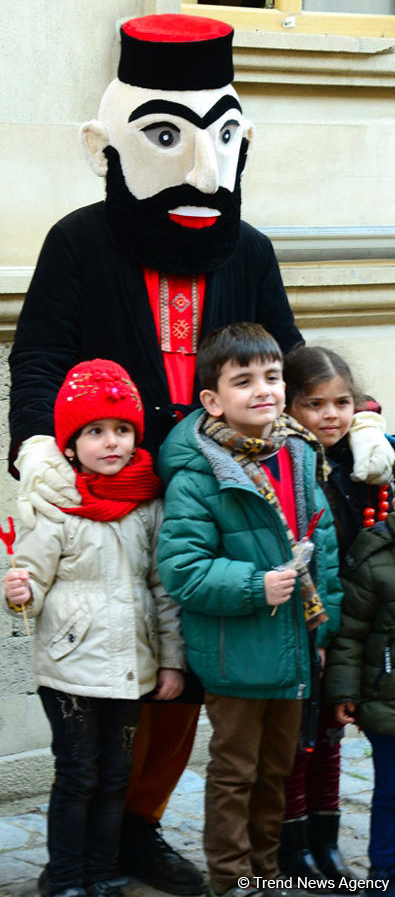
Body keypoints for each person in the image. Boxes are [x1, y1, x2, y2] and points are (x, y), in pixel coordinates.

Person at [7, 13, 391, 892]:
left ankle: (137, 830)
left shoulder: (247, 249)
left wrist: (357, 417)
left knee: (186, 675)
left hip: (222, 492)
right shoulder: (77, 241)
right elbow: (38, 355)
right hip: (111, 496)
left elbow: (289, 355)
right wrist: (36, 448)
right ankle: (85, 853)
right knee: (116, 671)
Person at [157, 322, 344, 897]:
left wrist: (323, 624)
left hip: (294, 645)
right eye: (244, 381)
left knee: (277, 767)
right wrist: (253, 585)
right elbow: (183, 569)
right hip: (235, 649)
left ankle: (267, 870)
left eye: (271, 377)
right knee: (236, 771)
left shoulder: (297, 451)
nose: (263, 390)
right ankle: (232, 878)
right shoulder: (199, 473)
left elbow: (327, 549)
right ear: (212, 399)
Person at [3, 358, 186, 897]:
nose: (112, 443)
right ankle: (64, 878)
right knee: (79, 772)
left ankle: (102, 873)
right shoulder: (57, 508)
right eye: (96, 432)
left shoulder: (147, 506)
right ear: (70, 443)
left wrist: (171, 659)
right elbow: (31, 579)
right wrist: (20, 594)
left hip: (132, 667)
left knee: (115, 777)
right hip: (69, 668)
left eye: (123, 430)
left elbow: (162, 589)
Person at [280, 344, 395, 888]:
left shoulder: (365, 459)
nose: (331, 415)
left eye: (342, 402)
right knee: (300, 740)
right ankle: (294, 846)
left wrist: (370, 425)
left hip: (357, 623)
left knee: (332, 734)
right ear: (290, 406)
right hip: (310, 621)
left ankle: (326, 841)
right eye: (315, 404)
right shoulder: (290, 464)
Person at [325, 510, 395, 897]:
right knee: (391, 792)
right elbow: (351, 633)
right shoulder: (375, 558)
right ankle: (385, 875)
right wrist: (345, 691)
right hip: (388, 699)